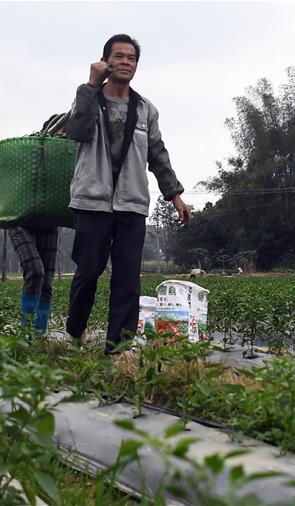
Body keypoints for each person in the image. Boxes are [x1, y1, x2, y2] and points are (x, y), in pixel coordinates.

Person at [64, 34, 191, 354]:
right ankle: (75, 330)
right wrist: (90, 85)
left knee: (127, 278)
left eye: (131, 58)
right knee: (89, 270)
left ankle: (118, 348)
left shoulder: (146, 109)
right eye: (118, 57)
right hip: (92, 201)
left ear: (136, 65)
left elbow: (157, 154)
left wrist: (175, 195)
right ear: (105, 61)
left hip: (132, 204)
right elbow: (75, 132)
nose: (125, 62)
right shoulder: (88, 99)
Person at [9, 226, 58, 335]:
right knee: (35, 270)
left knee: (46, 282)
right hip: (19, 218)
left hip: (49, 221)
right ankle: (26, 335)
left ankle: (39, 336)